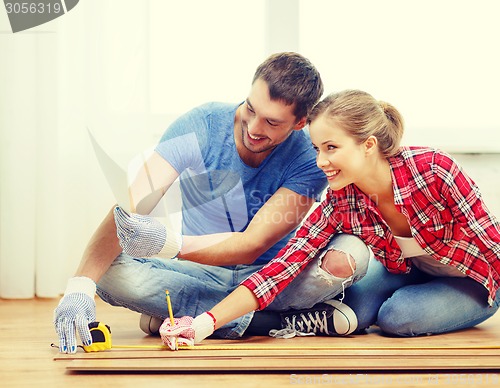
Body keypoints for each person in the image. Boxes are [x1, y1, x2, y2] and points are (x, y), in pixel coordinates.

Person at [54, 53, 370, 354]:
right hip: (199, 272)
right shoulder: (201, 125)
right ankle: (275, 323)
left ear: (300, 122)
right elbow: (133, 204)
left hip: (271, 276)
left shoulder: (309, 155)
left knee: (350, 256)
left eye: (272, 123)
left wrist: (170, 244)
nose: (255, 128)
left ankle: (178, 314)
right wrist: (80, 287)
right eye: (251, 108)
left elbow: (251, 245)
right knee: (108, 273)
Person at [159, 89, 500, 349]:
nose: (320, 161)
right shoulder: (340, 200)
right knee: (351, 312)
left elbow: (491, 240)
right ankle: (261, 322)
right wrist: (202, 325)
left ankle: (272, 321)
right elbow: (281, 270)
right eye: (317, 148)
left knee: (396, 318)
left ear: (367, 145)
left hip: (472, 279)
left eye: (331, 148)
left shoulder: (433, 169)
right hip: (405, 274)